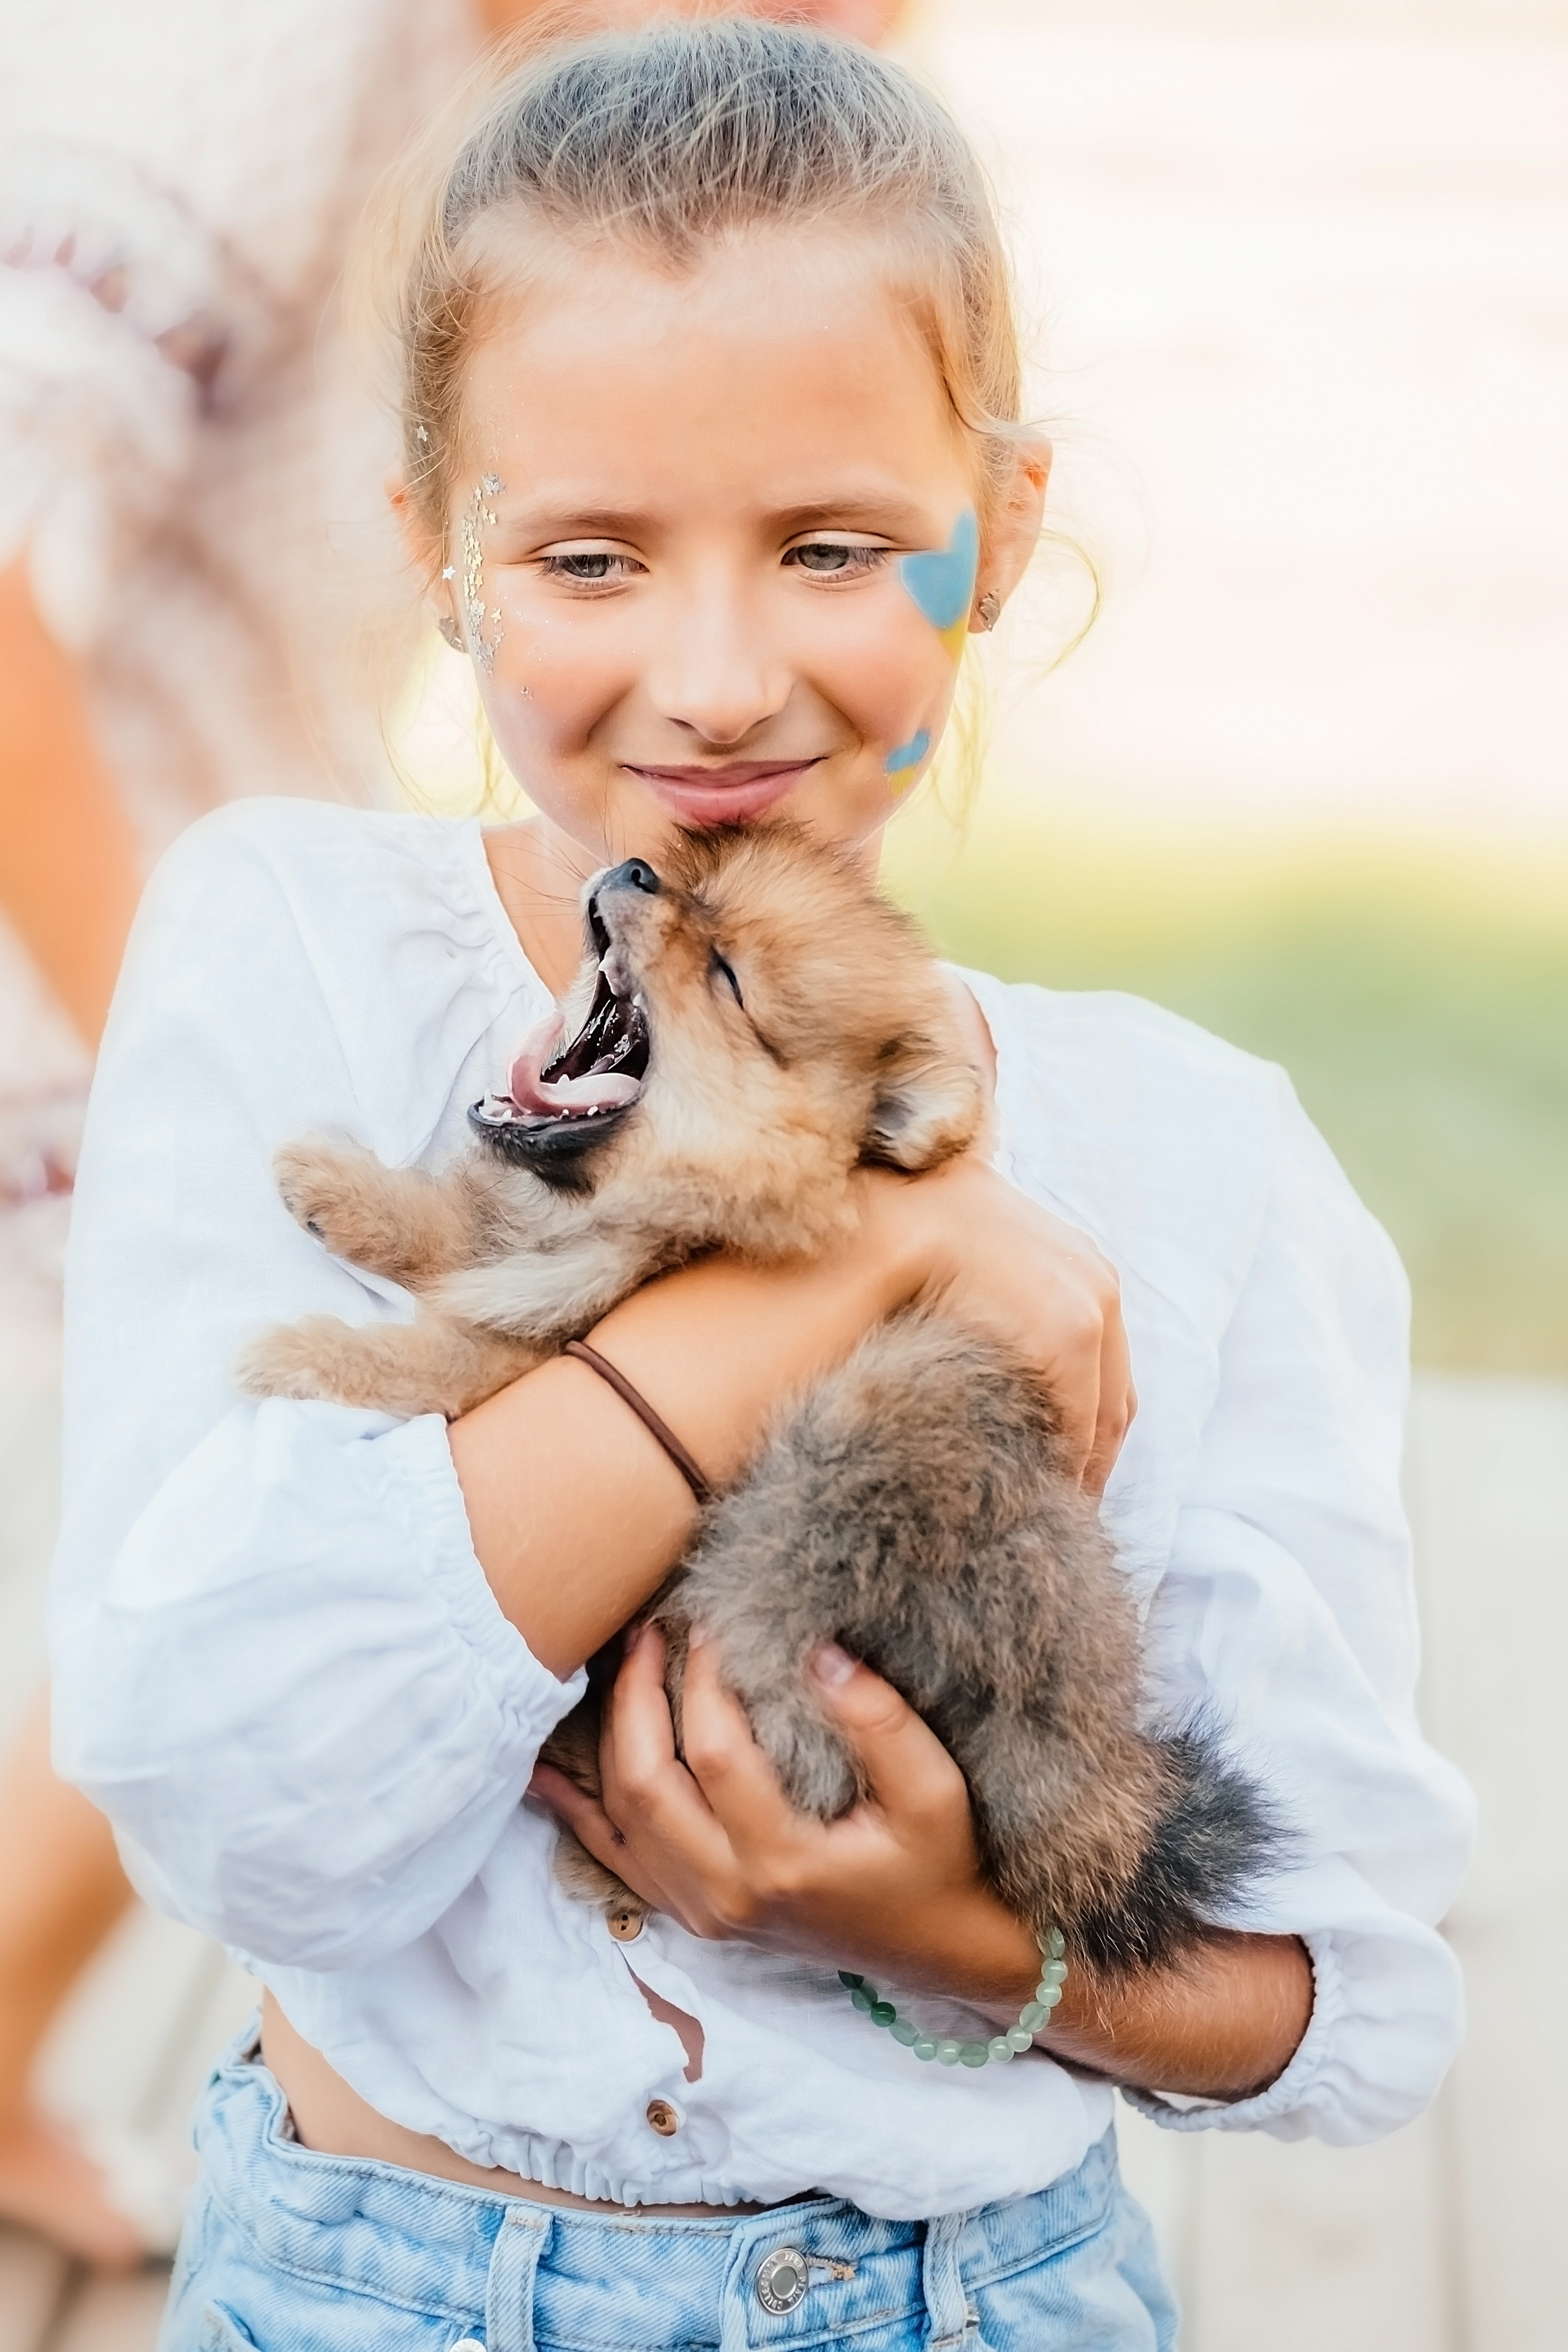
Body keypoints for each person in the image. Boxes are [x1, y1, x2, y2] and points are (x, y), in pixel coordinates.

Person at [50, 20, 1472, 2346]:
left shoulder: (1200, 1159)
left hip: (973, 2296)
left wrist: (954, 1940)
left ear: (1002, 533)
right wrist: (853, 1263)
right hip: (371, 2287)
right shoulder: (289, 948)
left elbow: (1345, 2003)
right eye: (588, 557)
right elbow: (239, 1806)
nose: (713, 682)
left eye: (832, 547)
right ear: (435, 555)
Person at [0, 0, 903, 2267]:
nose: (839, 49)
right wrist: (184, 1057)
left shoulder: (512, 101)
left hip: (236, 870)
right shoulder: (257, 52)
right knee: (272, 1537)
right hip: (92, 918)